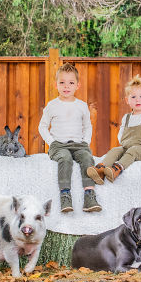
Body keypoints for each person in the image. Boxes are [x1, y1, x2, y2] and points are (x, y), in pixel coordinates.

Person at [38, 63, 100, 213]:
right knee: (65, 159)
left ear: (77, 85)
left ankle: (89, 195)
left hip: (79, 145)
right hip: (59, 146)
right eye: (62, 82)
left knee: (87, 158)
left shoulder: (82, 106)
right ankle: (65, 195)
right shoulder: (52, 105)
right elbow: (42, 126)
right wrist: (52, 142)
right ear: (56, 85)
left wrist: (85, 142)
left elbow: (87, 126)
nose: (66, 86)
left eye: (71, 83)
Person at [87, 75, 141, 184]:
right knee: (115, 150)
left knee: (133, 150)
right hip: (127, 146)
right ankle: (101, 169)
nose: (137, 100)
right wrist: (122, 141)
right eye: (133, 97)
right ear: (127, 100)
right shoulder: (127, 117)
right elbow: (121, 132)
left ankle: (117, 169)